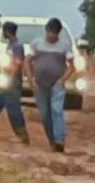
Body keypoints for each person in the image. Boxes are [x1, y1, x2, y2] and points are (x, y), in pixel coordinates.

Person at [29, 18, 73, 153]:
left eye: (54, 33)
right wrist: (31, 78)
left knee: (56, 110)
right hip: (40, 84)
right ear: (46, 31)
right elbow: (27, 61)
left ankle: (60, 139)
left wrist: (62, 80)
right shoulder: (37, 44)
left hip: (56, 84)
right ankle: (52, 140)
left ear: (58, 33)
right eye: (49, 32)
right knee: (44, 114)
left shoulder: (64, 46)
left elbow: (72, 66)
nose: (51, 35)